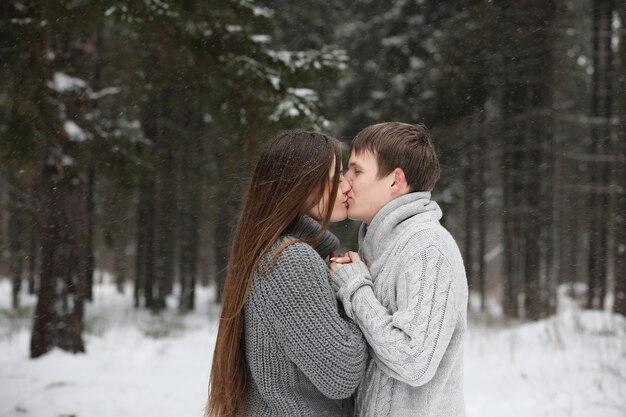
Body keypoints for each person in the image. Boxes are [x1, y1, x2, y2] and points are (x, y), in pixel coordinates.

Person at [206, 131, 368, 417]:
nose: (346, 186)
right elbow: (342, 374)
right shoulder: (291, 259)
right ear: (299, 187)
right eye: (334, 178)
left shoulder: (279, 251)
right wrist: (356, 293)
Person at [330, 122, 468, 417]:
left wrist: (356, 288)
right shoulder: (378, 246)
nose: (345, 181)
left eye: (356, 171)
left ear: (395, 181)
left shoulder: (428, 248)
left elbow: (414, 361)